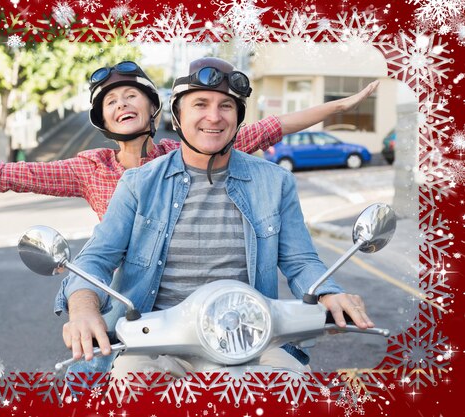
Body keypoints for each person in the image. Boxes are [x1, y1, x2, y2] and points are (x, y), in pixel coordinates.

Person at [55, 57, 375, 378]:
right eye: (200, 104)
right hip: (158, 344)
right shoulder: (139, 183)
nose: (214, 116)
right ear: (177, 116)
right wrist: (83, 309)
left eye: (226, 106)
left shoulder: (275, 181)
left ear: (237, 118)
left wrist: (329, 293)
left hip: (251, 340)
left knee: (292, 384)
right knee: (127, 381)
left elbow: (301, 260)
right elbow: (96, 257)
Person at [0, 60, 379, 221]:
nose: (122, 104)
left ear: (155, 110)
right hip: (126, 295)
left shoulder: (188, 150)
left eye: (131, 96)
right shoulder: (88, 167)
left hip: (205, 291)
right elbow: (1, 173)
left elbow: (274, 126)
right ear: (102, 116)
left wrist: (339, 106)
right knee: (94, 374)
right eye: (111, 100)